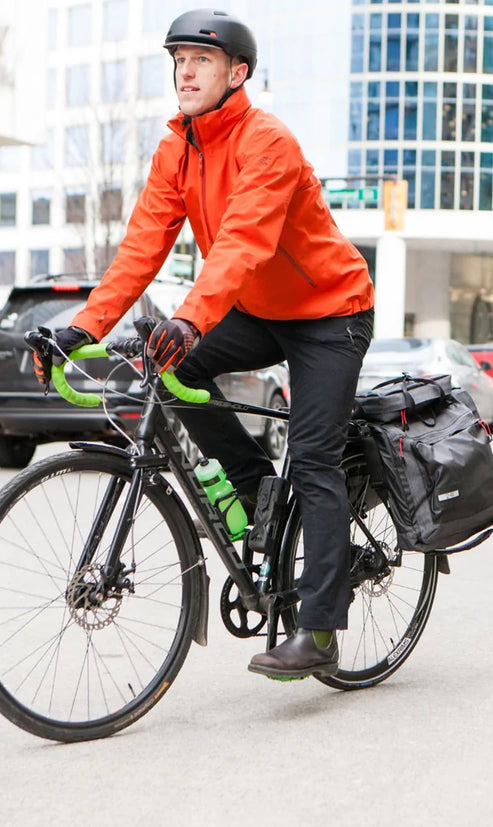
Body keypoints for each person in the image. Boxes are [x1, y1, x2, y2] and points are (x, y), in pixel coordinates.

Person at [33, 9, 374, 681]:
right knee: (170, 365)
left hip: (329, 311)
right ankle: (255, 492)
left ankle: (322, 628)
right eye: (179, 61)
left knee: (314, 459)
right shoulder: (177, 150)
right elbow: (139, 250)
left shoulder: (266, 140)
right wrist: (83, 327)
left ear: (236, 74)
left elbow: (245, 239)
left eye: (201, 61)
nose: (185, 72)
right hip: (257, 309)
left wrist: (191, 317)